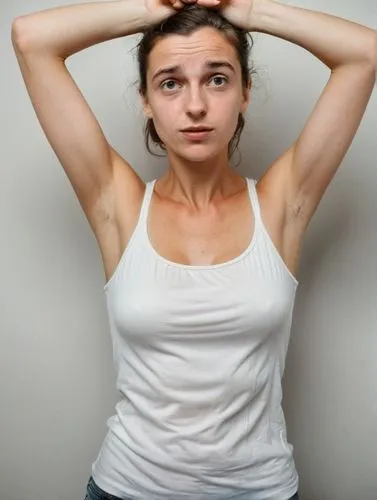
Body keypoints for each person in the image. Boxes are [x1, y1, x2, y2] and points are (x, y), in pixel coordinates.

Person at [11, 0, 376, 498]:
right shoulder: (116, 207)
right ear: (146, 99)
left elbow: (364, 53)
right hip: (128, 489)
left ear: (245, 91)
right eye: (170, 82)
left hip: (260, 490)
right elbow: (32, 38)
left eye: (218, 78)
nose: (196, 105)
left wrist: (246, 9)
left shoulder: (280, 205)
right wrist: (147, 8)